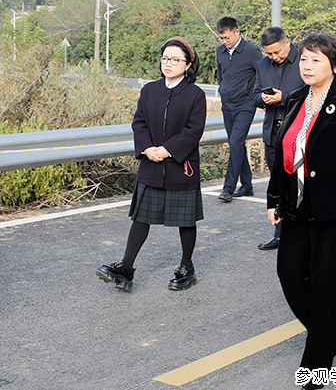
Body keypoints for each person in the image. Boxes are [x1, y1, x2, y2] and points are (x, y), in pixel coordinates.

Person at [266, 33, 336, 390]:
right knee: (290, 275)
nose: (307, 66)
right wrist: (274, 199)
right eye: (304, 59)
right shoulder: (296, 99)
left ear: (335, 65)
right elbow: (282, 151)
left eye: (317, 60)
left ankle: (316, 365)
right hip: (295, 205)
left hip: (332, 211)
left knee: (325, 285)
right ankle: (329, 335)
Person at [97, 37, 207, 293]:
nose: (168, 63)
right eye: (165, 58)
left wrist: (167, 150)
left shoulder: (196, 95)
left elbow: (194, 130)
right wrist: (147, 148)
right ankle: (126, 267)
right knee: (140, 217)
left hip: (181, 165)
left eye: (175, 59)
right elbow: (139, 123)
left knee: (185, 220)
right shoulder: (149, 90)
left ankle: (186, 267)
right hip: (151, 164)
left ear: (188, 64)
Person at [254, 27, 305, 250]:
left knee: (300, 184)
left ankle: (301, 233)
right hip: (273, 132)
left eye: (277, 52)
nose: (274, 57)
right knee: (277, 184)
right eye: (269, 53)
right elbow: (254, 95)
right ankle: (279, 234)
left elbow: (312, 93)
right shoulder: (262, 65)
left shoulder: (304, 60)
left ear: (288, 42)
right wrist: (263, 98)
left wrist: (284, 98)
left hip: (299, 131)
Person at [215, 17, 263, 203]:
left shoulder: (251, 51)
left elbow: (263, 73)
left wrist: (255, 96)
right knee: (237, 144)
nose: (224, 41)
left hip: (245, 105)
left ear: (237, 32)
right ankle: (247, 185)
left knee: (235, 143)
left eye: (227, 38)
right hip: (227, 105)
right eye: (221, 38)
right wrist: (223, 92)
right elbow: (221, 76)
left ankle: (228, 188)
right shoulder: (220, 51)